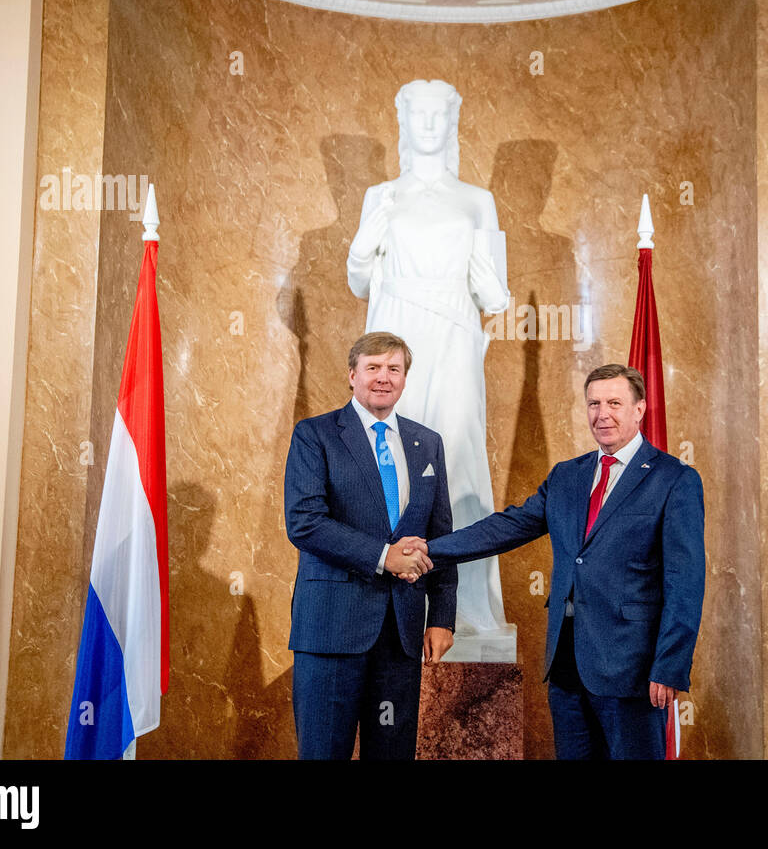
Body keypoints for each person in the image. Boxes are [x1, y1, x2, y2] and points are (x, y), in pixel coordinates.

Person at [408, 364, 705, 759]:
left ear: (640, 409)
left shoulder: (674, 480)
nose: (603, 414)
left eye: (615, 403)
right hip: (566, 667)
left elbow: (685, 584)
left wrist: (669, 667)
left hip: (633, 670)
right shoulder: (568, 476)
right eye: (594, 404)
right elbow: (508, 527)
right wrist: (431, 549)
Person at [347, 79, 512, 648]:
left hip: (455, 335)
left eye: (437, 114)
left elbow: (496, 296)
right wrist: (366, 238)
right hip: (395, 329)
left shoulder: (476, 200)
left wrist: (487, 275)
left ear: (451, 122)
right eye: (415, 113)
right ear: (402, 120)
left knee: (459, 456)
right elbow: (358, 279)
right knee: (386, 461)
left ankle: (464, 607)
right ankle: (388, 598)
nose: (426, 124)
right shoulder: (380, 195)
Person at [283, 331, 456, 759]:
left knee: (392, 752)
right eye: (373, 367)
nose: (383, 377)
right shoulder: (315, 435)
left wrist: (443, 617)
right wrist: (384, 556)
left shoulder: (427, 443)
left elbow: (441, 536)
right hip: (330, 632)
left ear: (404, 378)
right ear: (352, 375)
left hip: (401, 634)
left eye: (393, 369)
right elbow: (304, 523)